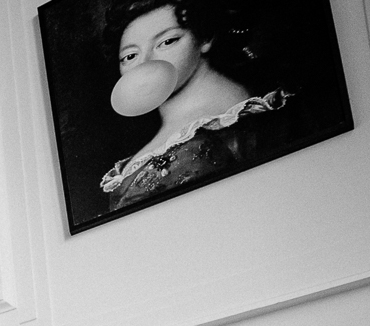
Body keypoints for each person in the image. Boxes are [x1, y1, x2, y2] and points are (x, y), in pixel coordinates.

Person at [99, 2, 308, 213]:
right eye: (130, 56)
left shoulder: (229, 120)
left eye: (167, 42)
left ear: (205, 37)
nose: (145, 63)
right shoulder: (175, 133)